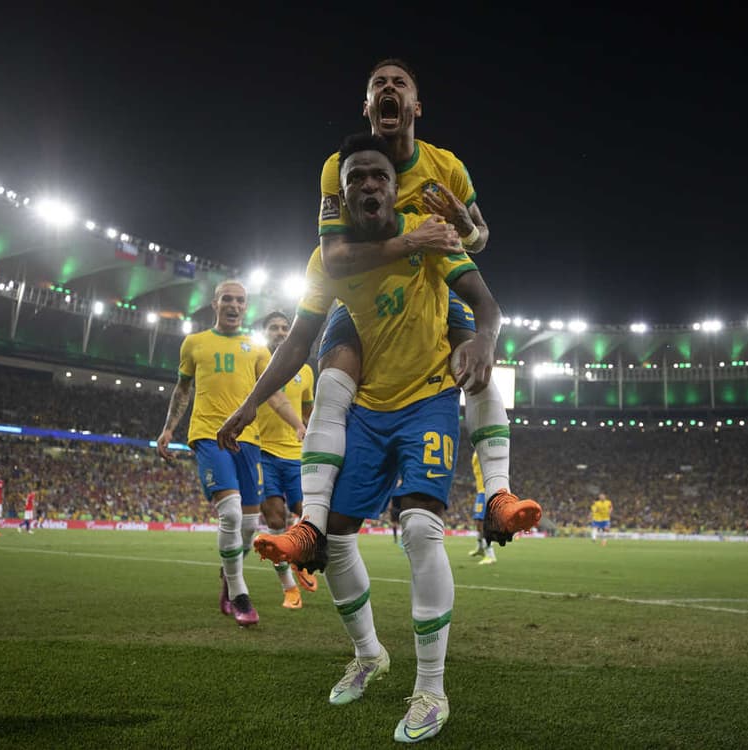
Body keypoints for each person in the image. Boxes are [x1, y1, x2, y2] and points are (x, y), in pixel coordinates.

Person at [218, 133, 502, 743]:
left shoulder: (428, 230)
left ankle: (431, 689)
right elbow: (297, 343)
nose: (369, 185)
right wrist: (245, 407)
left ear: (393, 186)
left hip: (426, 397)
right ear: (340, 197)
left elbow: (484, 300)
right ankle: (370, 654)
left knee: (421, 528)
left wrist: (482, 339)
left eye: (378, 176)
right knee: (337, 543)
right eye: (355, 180)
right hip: (369, 411)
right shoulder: (328, 261)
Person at [253, 59, 539, 575]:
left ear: (415, 106)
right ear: (367, 108)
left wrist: (461, 226)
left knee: (472, 354)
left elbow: (480, 239)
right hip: (360, 295)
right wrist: (410, 240)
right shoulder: (336, 166)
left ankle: (498, 493)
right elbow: (334, 256)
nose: (389, 89)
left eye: (399, 83)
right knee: (333, 376)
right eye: (377, 85)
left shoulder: (446, 165)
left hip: (430, 282)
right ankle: (312, 523)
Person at [156, 280, 307, 628]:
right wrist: (168, 429)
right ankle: (240, 593)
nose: (234, 305)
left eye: (240, 300)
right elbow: (182, 390)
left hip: (249, 441)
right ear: (215, 303)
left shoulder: (256, 350)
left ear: (245, 306)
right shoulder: (194, 343)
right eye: (227, 299)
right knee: (231, 514)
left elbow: (276, 396)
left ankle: (228, 574)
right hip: (208, 435)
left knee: (249, 524)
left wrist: (298, 425)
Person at [255, 310, 318, 609]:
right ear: (264, 332)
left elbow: (309, 411)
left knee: (308, 516)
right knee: (275, 520)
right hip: (262, 452)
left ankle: (299, 560)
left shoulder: (305, 371)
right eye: (273, 327)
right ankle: (289, 589)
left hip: (296, 455)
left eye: (285, 327)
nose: (280, 332)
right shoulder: (254, 363)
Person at [467, 453, 496, 564]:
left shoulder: (483, 452)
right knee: (478, 522)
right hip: (480, 492)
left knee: (482, 523)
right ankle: (480, 548)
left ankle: (490, 554)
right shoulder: (476, 453)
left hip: (486, 491)